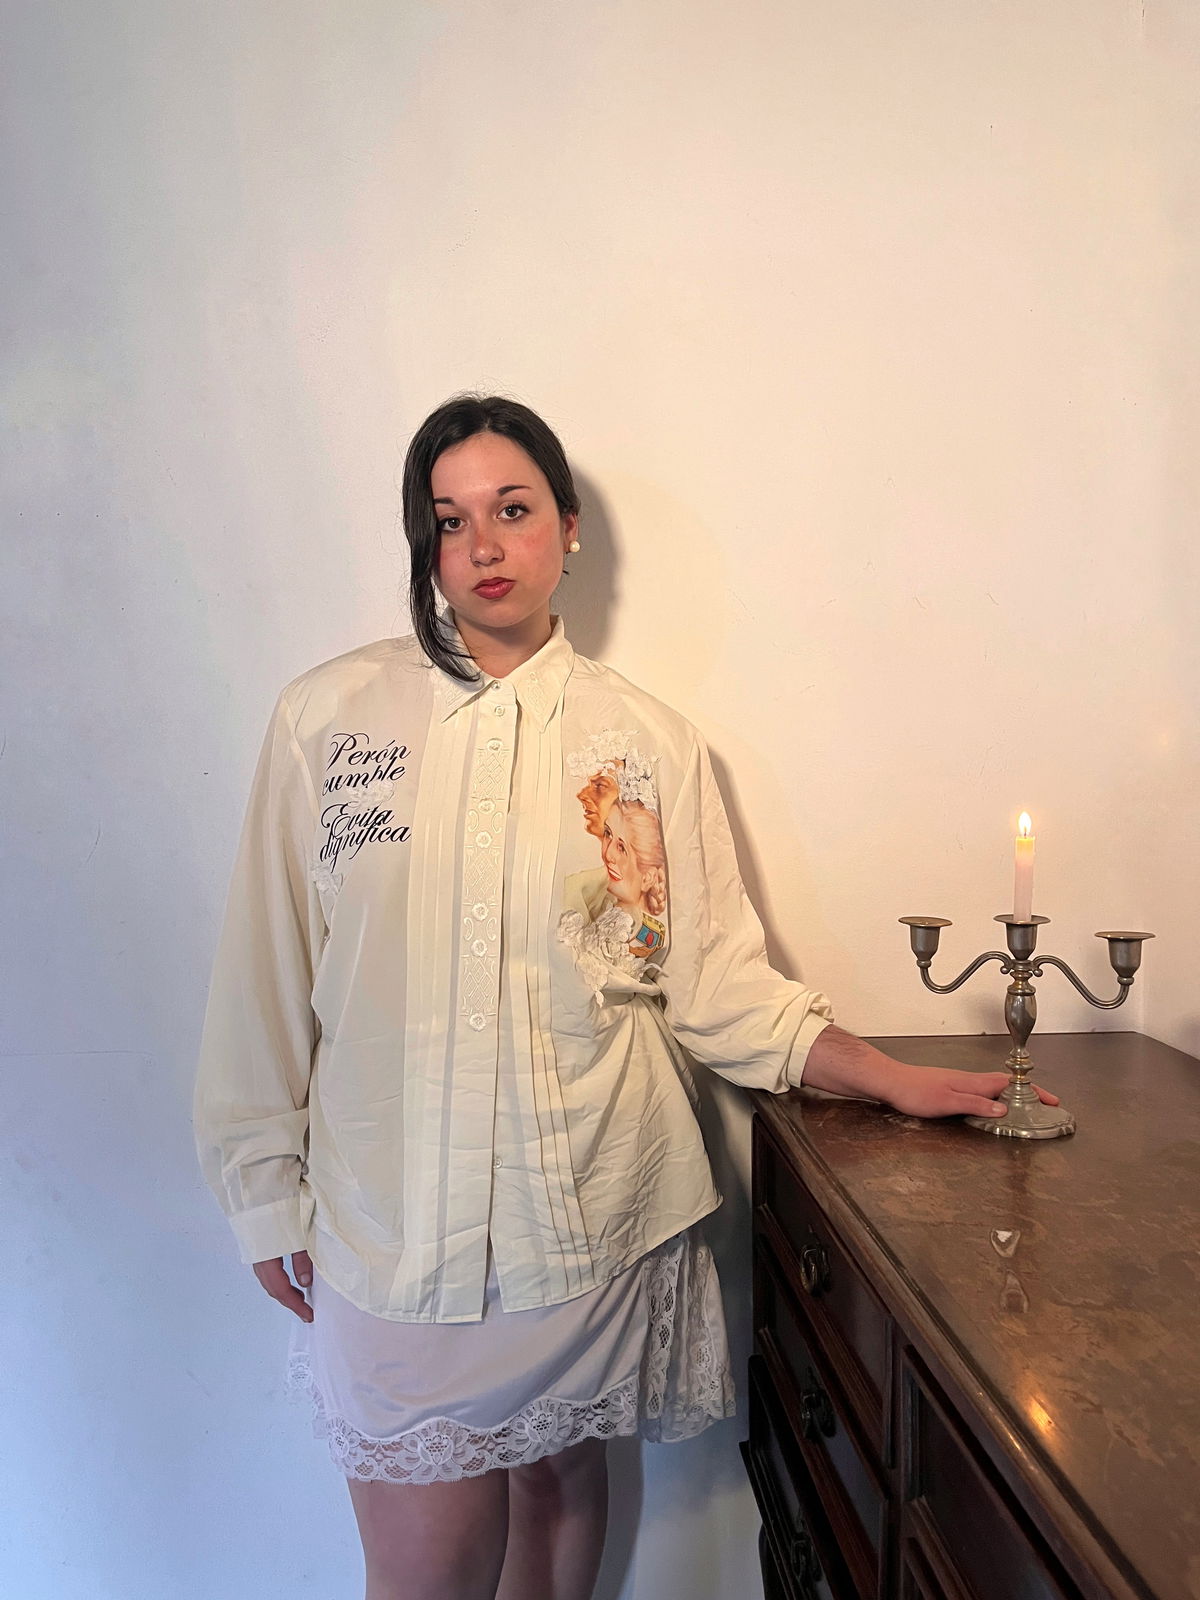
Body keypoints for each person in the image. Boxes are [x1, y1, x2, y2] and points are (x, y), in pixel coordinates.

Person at [192, 393, 1059, 1600]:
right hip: (389, 1221)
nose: (482, 547)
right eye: (449, 520)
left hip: (584, 1214)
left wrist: (889, 1075)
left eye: (512, 510)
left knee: (559, 1503)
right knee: (427, 1567)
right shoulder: (328, 721)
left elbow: (713, 981)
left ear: (568, 526)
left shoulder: (644, 742)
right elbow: (266, 967)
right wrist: (257, 1184)